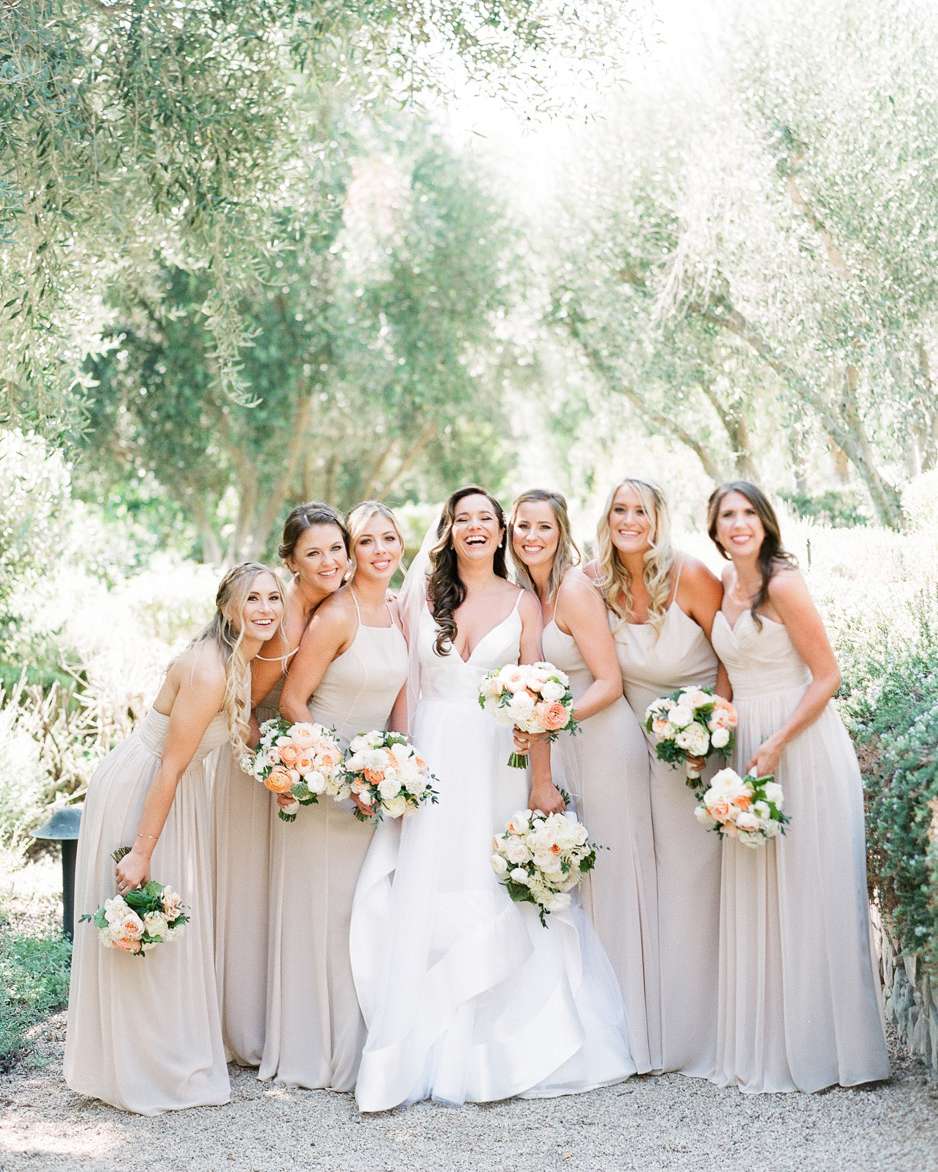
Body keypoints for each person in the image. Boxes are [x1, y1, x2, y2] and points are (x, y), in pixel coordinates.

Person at [352, 485, 634, 1112]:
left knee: (492, 878)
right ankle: (426, 1039)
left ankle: (506, 1041)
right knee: (432, 879)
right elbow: (406, 685)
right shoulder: (420, 597)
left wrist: (540, 780)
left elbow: (537, 696)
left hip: (498, 759)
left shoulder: (525, 602)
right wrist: (396, 760)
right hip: (434, 755)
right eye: (462, 519)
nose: (474, 528)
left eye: (486, 518)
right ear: (448, 530)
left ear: (502, 531)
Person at [65, 563, 285, 1115]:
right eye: (252, 599)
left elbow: (240, 732)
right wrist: (141, 850)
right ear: (227, 607)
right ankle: (144, 1069)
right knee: (146, 919)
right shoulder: (210, 669)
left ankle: (156, 1055)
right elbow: (168, 768)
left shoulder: (238, 659)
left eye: (273, 598)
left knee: (169, 927)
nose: (265, 609)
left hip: (171, 790)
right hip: (145, 791)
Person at [706, 481, 889, 1092]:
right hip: (749, 744)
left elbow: (827, 675)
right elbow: (728, 673)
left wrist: (779, 738)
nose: (738, 523)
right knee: (763, 889)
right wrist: (710, 721)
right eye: (727, 515)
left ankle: (837, 1051)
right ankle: (777, 1041)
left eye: (748, 513)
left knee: (811, 887)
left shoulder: (782, 583)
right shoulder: (725, 584)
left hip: (801, 742)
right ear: (714, 528)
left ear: (766, 521)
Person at [509, 488, 659, 1073]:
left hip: (603, 742)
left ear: (561, 530)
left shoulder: (573, 590)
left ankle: (636, 1033)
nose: (531, 537)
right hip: (563, 746)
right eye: (522, 526)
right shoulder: (526, 597)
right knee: (576, 880)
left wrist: (551, 717)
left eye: (542, 526)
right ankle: (587, 1021)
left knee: (615, 875)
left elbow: (608, 681)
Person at [260, 501, 408, 1090]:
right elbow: (294, 701)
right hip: (325, 783)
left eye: (387, 539)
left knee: (361, 913)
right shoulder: (337, 615)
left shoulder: (397, 612)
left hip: (374, 783)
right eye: (365, 540)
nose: (377, 551)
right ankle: (314, 1050)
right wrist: (338, 772)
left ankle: (360, 1040)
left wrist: (390, 768)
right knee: (322, 914)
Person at [589, 476, 727, 1077]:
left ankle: (709, 1028)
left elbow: (732, 659)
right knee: (657, 877)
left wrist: (711, 730)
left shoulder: (691, 575)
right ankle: (660, 1027)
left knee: (698, 876)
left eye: (639, 510)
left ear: (658, 518)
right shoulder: (600, 585)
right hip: (639, 748)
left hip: (699, 747)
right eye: (619, 509)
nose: (628, 520)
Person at [214, 503, 349, 1066]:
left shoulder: (334, 604)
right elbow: (243, 703)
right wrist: (275, 766)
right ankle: (242, 1024)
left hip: (284, 755)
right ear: (290, 561)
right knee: (247, 886)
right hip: (254, 758)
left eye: (336, 548)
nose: (328, 561)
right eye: (313, 553)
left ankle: (272, 1015)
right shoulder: (288, 616)